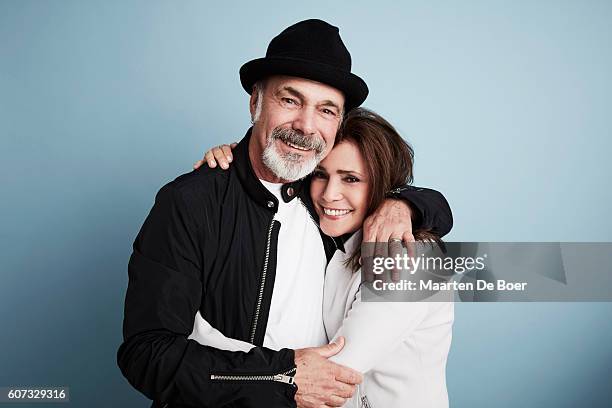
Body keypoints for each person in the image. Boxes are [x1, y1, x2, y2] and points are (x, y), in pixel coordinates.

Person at [117, 19, 453, 408]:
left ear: (338, 123)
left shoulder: (333, 205)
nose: (305, 125)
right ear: (255, 103)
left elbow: (383, 190)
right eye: (290, 100)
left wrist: (409, 204)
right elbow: (145, 354)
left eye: (326, 110)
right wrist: (279, 375)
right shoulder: (191, 202)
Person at [197, 107, 454, 407]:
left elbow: (330, 378)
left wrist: (204, 340)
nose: (329, 194)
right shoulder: (335, 242)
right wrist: (239, 160)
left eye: (351, 179)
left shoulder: (412, 258)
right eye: (321, 174)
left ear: (383, 187)